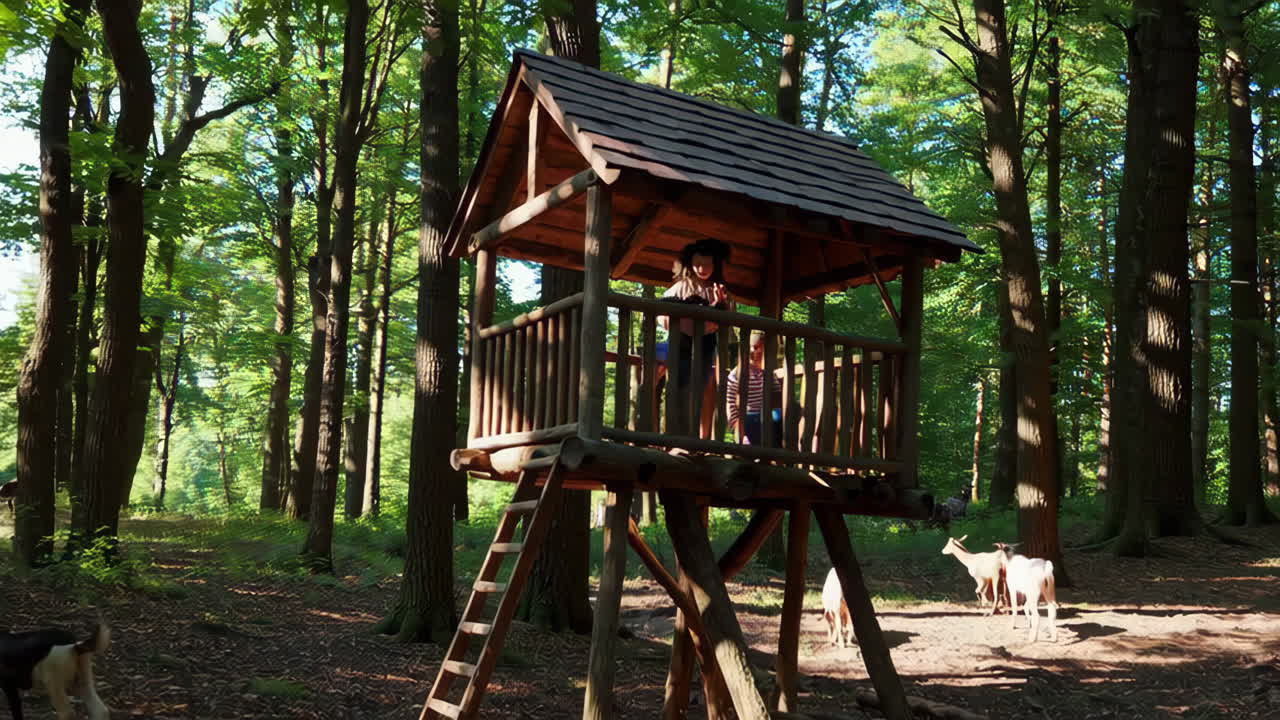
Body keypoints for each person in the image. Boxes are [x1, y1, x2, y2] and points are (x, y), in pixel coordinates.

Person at [658, 238, 734, 439]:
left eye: (707, 264)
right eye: (698, 263)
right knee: (680, 386)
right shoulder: (680, 287)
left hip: (706, 344)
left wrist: (721, 307)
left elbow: (728, 317)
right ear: (690, 264)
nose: (702, 268)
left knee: (705, 387)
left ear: (715, 264)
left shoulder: (719, 289)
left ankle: (704, 437)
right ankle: (677, 434)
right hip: (681, 343)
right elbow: (661, 313)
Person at [726, 332, 783, 445]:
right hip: (748, 420)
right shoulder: (736, 374)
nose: (757, 351)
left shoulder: (767, 374)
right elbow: (730, 407)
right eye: (754, 347)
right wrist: (740, 433)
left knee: (779, 417)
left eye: (761, 348)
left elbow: (778, 396)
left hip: (766, 418)